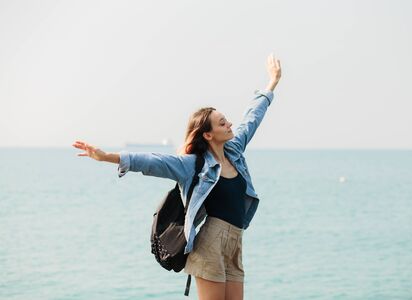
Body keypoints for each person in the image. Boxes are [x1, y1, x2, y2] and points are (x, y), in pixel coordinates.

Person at [72, 53, 281, 300]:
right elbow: (153, 161)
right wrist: (106, 156)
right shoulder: (192, 165)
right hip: (211, 244)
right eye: (222, 123)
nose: (229, 124)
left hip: (235, 243)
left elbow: (252, 117)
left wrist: (272, 83)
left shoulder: (234, 151)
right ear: (208, 135)